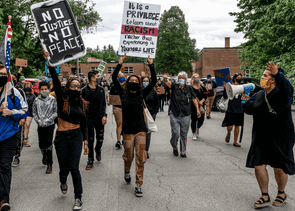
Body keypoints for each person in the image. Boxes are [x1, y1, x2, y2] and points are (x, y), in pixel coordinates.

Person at [243, 62, 295, 208]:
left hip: (281, 136)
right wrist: (244, 100)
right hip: (261, 136)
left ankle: (281, 193)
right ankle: (264, 196)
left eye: (266, 75)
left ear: (273, 79)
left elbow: (288, 88)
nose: (262, 77)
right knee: (258, 165)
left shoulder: (282, 93)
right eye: (262, 74)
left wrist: (278, 74)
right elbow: (249, 110)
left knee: (279, 167)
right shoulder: (259, 94)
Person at [44, 50, 89, 211]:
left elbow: (84, 124)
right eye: (73, 86)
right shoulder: (62, 97)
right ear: (68, 86)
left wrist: (85, 142)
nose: (76, 88)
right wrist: (49, 60)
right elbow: (55, 79)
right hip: (61, 137)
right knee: (64, 168)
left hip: (76, 135)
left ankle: (78, 198)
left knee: (74, 168)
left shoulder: (83, 104)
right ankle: (63, 180)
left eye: (78, 86)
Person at [112, 55, 156, 197]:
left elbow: (154, 81)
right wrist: (120, 63)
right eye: (132, 80)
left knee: (140, 157)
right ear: (128, 82)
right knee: (129, 156)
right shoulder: (123, 94)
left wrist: (151, 65)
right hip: (128, 131)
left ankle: (138, 184)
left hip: (141, 130)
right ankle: (126, 171)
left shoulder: (142, 94)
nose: (134, 82)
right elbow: (114, 79)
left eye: (136, 80)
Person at [0, 64, 28, 211]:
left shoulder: (13, 92)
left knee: (5, 166)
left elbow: (24, 110)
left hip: (8, 135)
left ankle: (4, 199)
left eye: (4, 74)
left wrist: (11, 112)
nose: (2, 77)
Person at [163, 72, 201, 158]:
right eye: (179, 78)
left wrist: (198, 110)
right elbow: (167, 83)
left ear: (185, 80)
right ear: (177, 79)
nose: (181, 80)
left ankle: (183, 151)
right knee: (175, 133)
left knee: (184, 135)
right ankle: (174, 145)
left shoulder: (189, 88)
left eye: (183, 78)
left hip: (186, 114)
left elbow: (194, 99)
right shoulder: (174, 86)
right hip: (175, 114)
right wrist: (165, 78)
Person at [81, 70, 107, 170]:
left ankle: (98, 149)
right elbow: (82, 105)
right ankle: (90, 159)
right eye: (97, 76)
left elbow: (104, 104)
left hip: (100, 117)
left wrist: (104, 115)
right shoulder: (84, 90)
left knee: (100, 138)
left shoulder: (101, 90)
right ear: (92, 78)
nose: (99, 77)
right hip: (89, 119)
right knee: (90, 139)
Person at [32, 81, 58, 174]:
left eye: (46, 89)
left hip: (50, 125)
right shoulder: (36, 100)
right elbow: (34, 112)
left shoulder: (52, 100)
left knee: (49, 143)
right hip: (40, 125)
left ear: (49, 89)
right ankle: (44, 154)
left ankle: (50, 165)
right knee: (41, 144)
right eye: (42, 89)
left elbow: (55, 112)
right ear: (39, 90)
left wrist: (49, 120)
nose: (44, 91)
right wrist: (37, 120)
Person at [222, 73, 243, 147]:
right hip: (230, 108)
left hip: (239, 109)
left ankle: (235, 142)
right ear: (234, 79)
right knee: (230, 126)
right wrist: (225, 88)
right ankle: (228, 133)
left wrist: (245, 97)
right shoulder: (230, 86)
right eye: (238, 77)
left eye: (240, 78)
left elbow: (244, 97)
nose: (239, 79)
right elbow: (225, 96)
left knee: (237, 126)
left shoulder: (242, 87)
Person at [142, 76, 159, 159]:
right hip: (141, 114)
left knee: (148, 133)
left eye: (147, 81)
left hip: (151, 114)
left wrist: (154, 113)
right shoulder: (139, 91)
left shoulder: (153, 92)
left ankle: (146, 150)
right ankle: (140, 149)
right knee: (141, 133)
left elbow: (157, 103)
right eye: (144, 81)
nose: (145, 83)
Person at [108, 71, 126, 149]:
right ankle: (118, 140)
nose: (121, 77)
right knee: (119, 123)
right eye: (120, 76)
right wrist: (109, 101)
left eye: (123, 76)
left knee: (125, 124)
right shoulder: (114, 86)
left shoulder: (127, 86)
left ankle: (124, 139)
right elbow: (110, 95)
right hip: (117, 107)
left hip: (126, 108)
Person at [190, 73, 208, 140]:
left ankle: (197, 128)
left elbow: (206, 94)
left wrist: (202, 101)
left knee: (201, 120)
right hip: (193, 106)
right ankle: (194, 133)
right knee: (194, 120)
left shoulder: (202, 86)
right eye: (195, 77)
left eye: (198, 77)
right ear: (193, 78)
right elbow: (192, 96)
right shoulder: (190, 87)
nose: (197, 79)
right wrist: (197, 101)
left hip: (201, 105)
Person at [22, 81, 36, 147]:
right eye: (26, 85)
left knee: (27, 125)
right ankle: (21, 138)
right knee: (22, 124)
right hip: (22, 111)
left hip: (30, 112)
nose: (27, 87)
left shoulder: (33, 95)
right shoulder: (21, 94)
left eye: (28, 86)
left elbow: (35, 105)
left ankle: (25, 139)